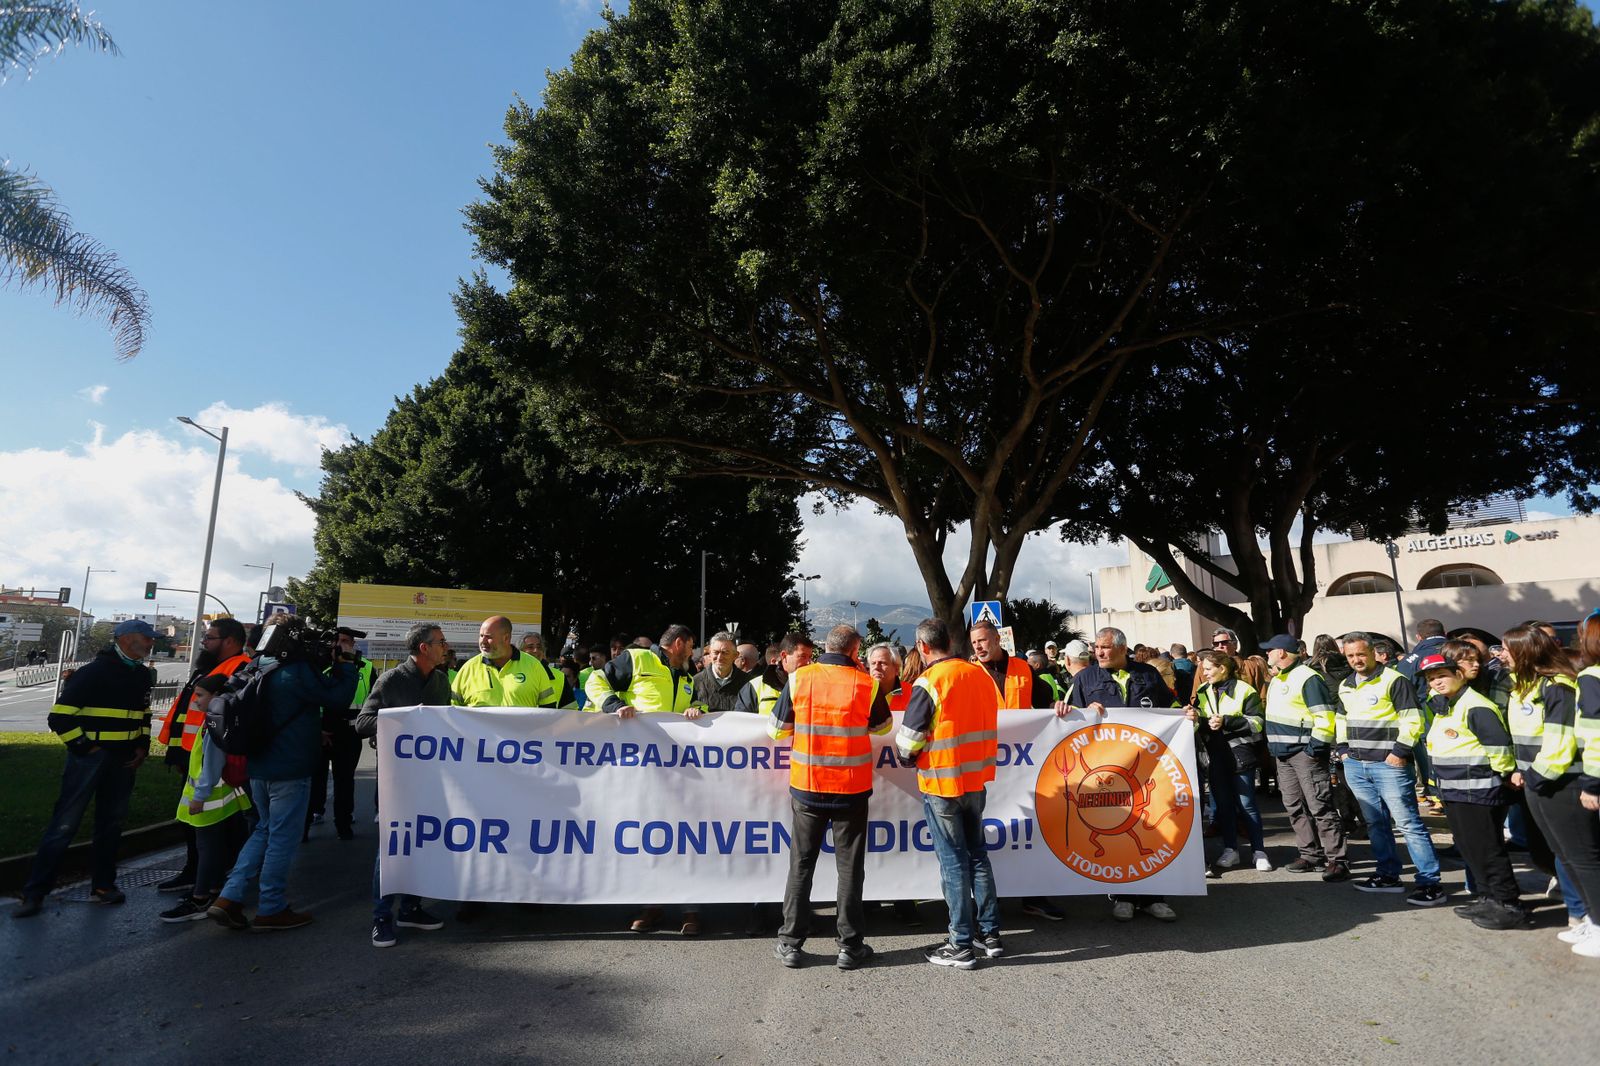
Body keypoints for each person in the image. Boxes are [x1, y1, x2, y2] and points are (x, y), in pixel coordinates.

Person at [208, 619, 358, 932]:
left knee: (263, 829)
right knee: (281, 838)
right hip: (288, 768)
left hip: (259, 765)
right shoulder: (297, 671)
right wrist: (345, 663)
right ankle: (271, 907)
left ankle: (229, 897)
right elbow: (338, 698)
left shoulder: (259, 665)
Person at [769, 625, 892, 969]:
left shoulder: (799, 679)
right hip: (850, 789)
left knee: (801, 864)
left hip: (808, 787)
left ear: (826, 647)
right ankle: (850, 946)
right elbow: (883, 727)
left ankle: (791, 942)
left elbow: (776, 730)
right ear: (855, 653)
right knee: (850, 868)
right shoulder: (866, 683)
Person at [15, 619, 156, 918]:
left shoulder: (143, 675)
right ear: (126, 638)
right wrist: (86, 749)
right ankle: (35, 892)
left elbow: (144, 714)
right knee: (64, 824)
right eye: (147, 638)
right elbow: (60, 718)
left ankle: (103, 886)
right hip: (89, 760)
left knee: (111, 825)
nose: (151, 643)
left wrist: (143, 746)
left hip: (124, 761)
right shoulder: (93, 673)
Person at [584, 624, 705, 933]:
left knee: (682, 839)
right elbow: (596, 681)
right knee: (649, 839)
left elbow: (694, 708)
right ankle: (651, 906)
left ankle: (689, 908)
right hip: (639, 770)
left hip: (675, 772)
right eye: (690, 647)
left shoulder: (687, 677)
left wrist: (696, 709)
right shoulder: (637, 659)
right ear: (678, 644)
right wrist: (614, 705)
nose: (692, 653)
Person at [1054, 627, 1181, 921]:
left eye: (1105, 647)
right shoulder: (1084, 678)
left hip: (1148, 769)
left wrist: (1185, 716)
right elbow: (1064, 711)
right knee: (1118, 831)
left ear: (1122, 649)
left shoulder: (1148, 675)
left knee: (1148, 826)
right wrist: (1074, 709)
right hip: (1107, 770)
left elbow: (1170, 707)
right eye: (1096, 647)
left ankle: (1153, 897)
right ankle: (1122, 895)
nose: (1098, 652)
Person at [896, 618, 1002, 968]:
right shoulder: (978, 674)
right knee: (978, 856)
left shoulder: (930, 681)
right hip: (976, 780)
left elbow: (909, 739)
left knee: (954, 861)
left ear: (923, 646)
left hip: (942, 782)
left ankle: (960, 943)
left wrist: (907, 757)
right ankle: (989, 934)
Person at [1503, 623, 1600, 958]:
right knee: (1565, 855)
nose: (1502, 655)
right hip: (1538, 781)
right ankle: (1590, 917)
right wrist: (1523, 771)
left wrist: (1536, 776)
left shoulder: (1558, 687)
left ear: (1524, 651)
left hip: (1560, 783)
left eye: (1506, 649)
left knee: (1584, 858)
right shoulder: (1525, 687)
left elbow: (1560, 744)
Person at [354, 622, 452, 948]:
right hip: (396, 782)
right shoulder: (391, 679)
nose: (445, 646)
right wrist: (406, 718)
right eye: (440, 642)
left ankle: (411, 908)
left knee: (421, 845)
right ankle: (381, 917)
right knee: (391, 851)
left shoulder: (440, 680)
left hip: (431, 780)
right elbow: (363, 723)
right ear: (424, 648)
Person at [1416, 654, 1527, 929]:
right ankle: (1488, 897)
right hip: (1456, 792)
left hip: (1479, 792)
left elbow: (1499, 747)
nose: (1436, 682)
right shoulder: (1445, 706)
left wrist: (1503, 775)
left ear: (1459, 674)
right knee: (1470, 849)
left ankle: (1508, 904)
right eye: (1431, 678)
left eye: (1442, 675)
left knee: (1488, 849)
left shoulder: (1475, 705)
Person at [1334, 633, 1444, 905]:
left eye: (1360, 654)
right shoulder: (1346, 685)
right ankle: (1388, 875)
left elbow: (1413, 720)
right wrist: (1344, 750)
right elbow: (1341, 719)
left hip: (1388, 765)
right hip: (1357, 765)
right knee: (1376, 823)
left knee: (1408, 823)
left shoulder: (1395, 680)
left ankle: (1430, 883)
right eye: (1350, 656)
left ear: (1372, 652)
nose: (1356, 660)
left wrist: (1399, 752)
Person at [972, 619, 1064, 923]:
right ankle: (984, 903)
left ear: (999, 639)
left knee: (1026, 832)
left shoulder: (1024, 669)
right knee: (986, 834)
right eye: (974, 643)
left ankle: (1033, 898)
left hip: (1022, 767)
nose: (979, 647)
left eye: (984, 640)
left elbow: (1043, 705)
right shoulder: (969, 674)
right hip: (983, 765)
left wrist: (1058, 707)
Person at [154, 617, 252, 896]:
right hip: (192, 752)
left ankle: (209, 880)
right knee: (199, 826)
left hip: (215, 756)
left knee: (216, 825)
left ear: (230, 641)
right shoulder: (211, 667)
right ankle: (199, 873)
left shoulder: (238, 667)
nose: (204, 642)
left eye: (210, 638)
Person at [159, 674, 253, 923]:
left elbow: (211, 765)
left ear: (217, 697)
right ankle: (212, 890)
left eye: (200, 695)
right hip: (223, 796)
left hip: (209, 798)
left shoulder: (214, 725)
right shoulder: (222, 720)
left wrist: (199, 796)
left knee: (207, 849)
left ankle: (200, 899)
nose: (195, 701)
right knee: (217, 848)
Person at [1260, 634, 1350, 882]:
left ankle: (1337, 860)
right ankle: (1310, 854)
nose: (1267, 654)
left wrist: (1315, 748)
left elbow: (1324, 716)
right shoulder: (1279, 678)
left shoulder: (1308, 677)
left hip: (1304, 754)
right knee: (1294, 806)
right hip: (1284, 754)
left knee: (1320, 805)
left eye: (1270, 650)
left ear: (1283, 653)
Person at [1188, 650, 1271, 873]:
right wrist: (1197, 720)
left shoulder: (1245, 690)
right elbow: (1201, 724)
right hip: (1215, 756)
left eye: (1207, 669)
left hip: (1240, 754)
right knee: (1223, 806)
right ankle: (1230, 850)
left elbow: (1257, 723)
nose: (1203, 674)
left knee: (1247, 804)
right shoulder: (1203, 691)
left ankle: (1259, 851)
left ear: (1221, 668)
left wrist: (1227, 721)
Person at [306, 627, 374, 842]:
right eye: (338, 641)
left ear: (353, 644)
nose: (342, 645)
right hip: (320, 732)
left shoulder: (367, 666)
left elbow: (374, 699)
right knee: (315, 779)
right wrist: (317, 728)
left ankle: (343, 824)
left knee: (345, 780)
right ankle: (308, 821)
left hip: (350, 731)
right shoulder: (320, 664)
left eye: (346, 641)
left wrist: (372, 730)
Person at [454, 616, 571, 708]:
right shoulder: (468, 668)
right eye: (481, 636)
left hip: (524, 737)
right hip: (478, 739)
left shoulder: (534, 666)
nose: (483, 641)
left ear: (506, 638)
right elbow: (452, 709)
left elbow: (548, 709)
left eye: (488, 637)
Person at [736, 633, 815, 716]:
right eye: (803, 656)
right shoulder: (754, 687)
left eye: (810, 657)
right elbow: (741, 723)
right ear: (784, 656)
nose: (808, 662)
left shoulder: (814, 686)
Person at [692, 630, 755, 713]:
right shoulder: (695, 682)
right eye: (716, 652)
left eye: (725, 653)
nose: (719, 657)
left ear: (735, 655)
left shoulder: (748, 683)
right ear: (710, 654)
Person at [1396, 618, 1448, 685]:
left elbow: (1404, 689)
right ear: (1445, 633)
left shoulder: (1408, 661)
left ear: (1418, 637)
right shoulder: (1460, 650)